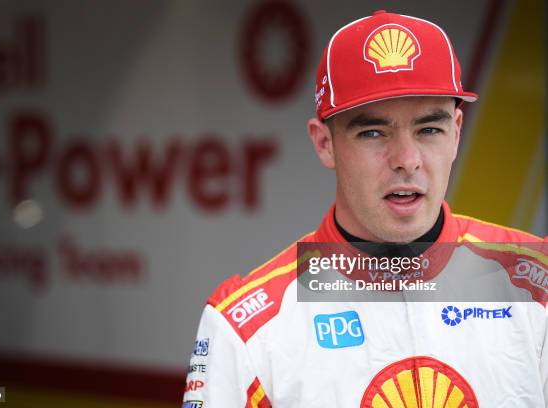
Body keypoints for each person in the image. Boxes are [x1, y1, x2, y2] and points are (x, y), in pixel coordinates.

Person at [182, 10, 547, 408]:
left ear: (457, 132)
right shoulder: (246, 327)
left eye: (429, 129)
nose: (406, 159)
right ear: (324, 144)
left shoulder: (537, 286)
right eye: (373, 132)